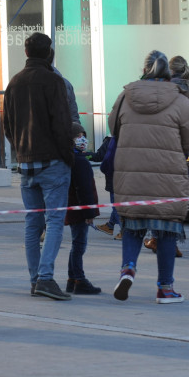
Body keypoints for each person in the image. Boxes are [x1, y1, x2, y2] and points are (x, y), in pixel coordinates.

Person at [110, 50, 189, 304]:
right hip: (168, 174)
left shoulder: (125, 96)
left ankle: (128, 269)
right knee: (167, 229)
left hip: (130, 171)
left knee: (132, 223)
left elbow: (112, 127)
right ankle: (165, 288)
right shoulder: (181, 100)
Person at [2, 32, 75, 301]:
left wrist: (20, 150)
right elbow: (62, 123)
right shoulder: (53, 81)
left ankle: (36, 279)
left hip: (26, 162)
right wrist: (68, 155)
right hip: (53, 161)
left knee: (33, 222)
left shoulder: (15, 82)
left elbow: (7, 124)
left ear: (26, 52)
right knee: (54, 220)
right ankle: (45, 277)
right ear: (49, 53)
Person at [64, 123, 103, 295]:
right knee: (79, 245)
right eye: (78, 136)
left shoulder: (71, 159)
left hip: (72, 208)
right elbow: (84, 190)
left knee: (76, 245)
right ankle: (79, 279)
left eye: (83, 135)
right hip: (80, 210)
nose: (82, 139)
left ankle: (72, 279)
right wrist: (89, 213)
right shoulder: (80, 162)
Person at [93, 136, 121, 240]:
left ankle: (123, 231)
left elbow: (99, 157)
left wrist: (85, 156)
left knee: (116, 206)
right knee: (118, 204)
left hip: (114, 178)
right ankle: (110, 226)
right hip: (127, 179)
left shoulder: (111, 140)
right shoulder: (131, 137)